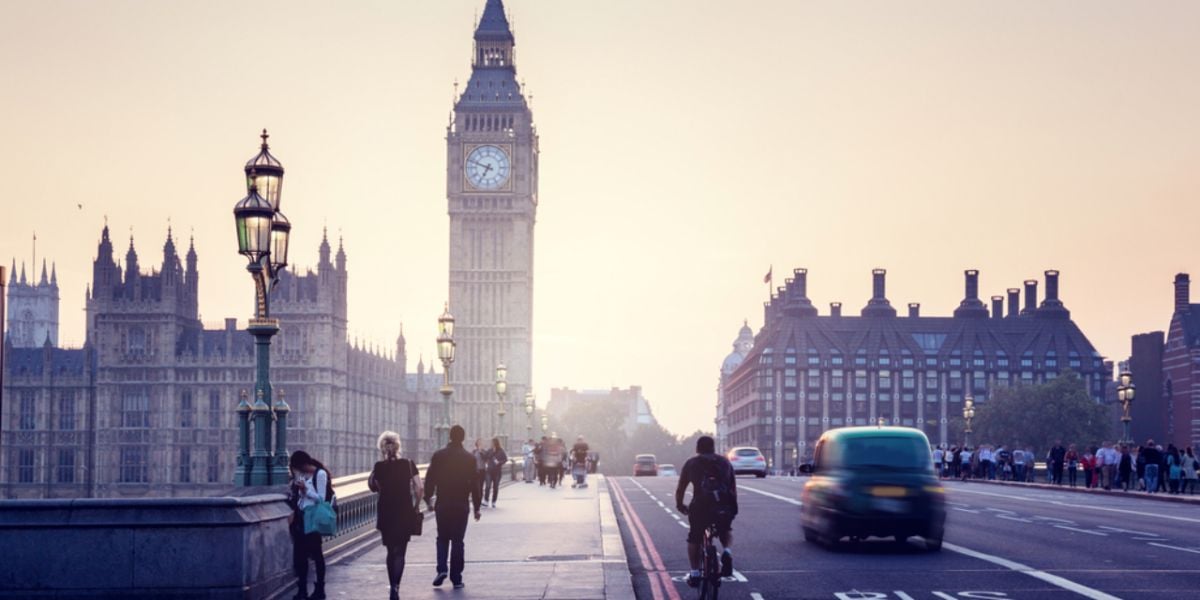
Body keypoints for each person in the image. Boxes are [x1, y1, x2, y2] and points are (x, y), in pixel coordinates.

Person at [424, 425, 482, 590]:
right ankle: (456, 578)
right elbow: (475, 485)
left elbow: (430, 479)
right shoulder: (469, 458)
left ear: (449, 436)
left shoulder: (438, 455)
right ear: (463, 438)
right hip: (461, 504)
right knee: (458, 541)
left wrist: (428, 499)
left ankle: (442, 569)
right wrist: (477, 507)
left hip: (443, 503)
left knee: (442, 538)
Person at [675, 435, 737, 588]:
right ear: (713, 448)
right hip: (722, 506)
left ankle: (695, 572)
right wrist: (733, 507)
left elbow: (681, 488)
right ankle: (727, 551)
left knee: (694, 537)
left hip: (700, 507)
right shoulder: (725, 462)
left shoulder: (691, 463)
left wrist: (680, 505)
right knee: (725, 529)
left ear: (697, 448)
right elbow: (732, 488)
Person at [369, 431, 422, 600]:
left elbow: (376, 488)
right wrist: (416, 506)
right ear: (398, 446)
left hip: (386, 512)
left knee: (391, 551)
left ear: (382, 448)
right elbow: (419, 488)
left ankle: (391, 585)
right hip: (404, 511)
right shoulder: (408, 464)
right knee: (400, 552)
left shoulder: (379, 467)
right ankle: (396, 589)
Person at [287, 451, 331, 600]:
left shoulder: (320, 474)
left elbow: (321, 499)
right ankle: (302, 590)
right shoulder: (303, 476)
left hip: (313, 518)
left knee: (317, 555)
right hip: (301, 518)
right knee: (300, 556)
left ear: (302, 464)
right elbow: (301, 498)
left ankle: (320, 590)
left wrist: (306, 490)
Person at [484, 437, 508, 507]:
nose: (491, 444)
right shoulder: (489, 450)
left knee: (495, 487)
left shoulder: (501, 451)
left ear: (496, 443)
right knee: (488, 486)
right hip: (489, 471)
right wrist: (492, 452)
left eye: (492, 442)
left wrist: (499, 462)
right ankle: (486, 501)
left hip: (497, 472)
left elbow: (505, 459)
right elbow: (486, 457)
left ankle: (493, 501)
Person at [472, 439, 491, 506]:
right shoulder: (474, 451)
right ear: (476, 444)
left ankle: (479, 501)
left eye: (481, 443)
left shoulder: (484, 451)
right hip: (475, 471)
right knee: (476, 486)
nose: (480, 444)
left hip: (482, 470)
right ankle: (476, 499)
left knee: (481, 486)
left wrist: (481, 452)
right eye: (478, 443)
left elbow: (486, 459)